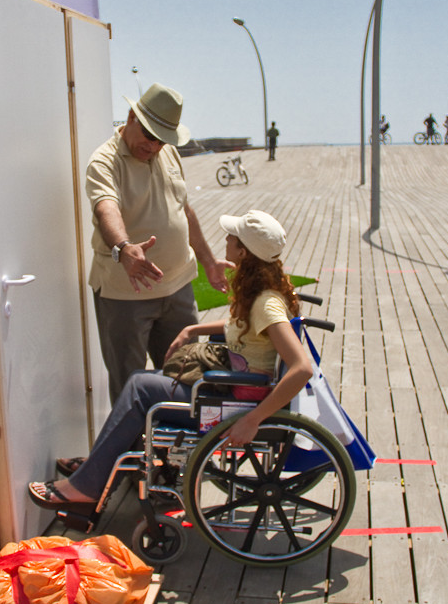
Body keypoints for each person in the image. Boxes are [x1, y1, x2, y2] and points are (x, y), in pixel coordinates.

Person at [28, 209, 314, 511]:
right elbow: (242, 327)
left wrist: (252, 420)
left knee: (139, 387)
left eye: (232, 238)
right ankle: (98, 464)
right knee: (143, 380)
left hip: (236, 403)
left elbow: (302, 368)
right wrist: (192, 328)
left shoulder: (266, 305)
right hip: (231, 388)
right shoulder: (266, 291)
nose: (226, 240)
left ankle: (86, 484)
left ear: (243, 252)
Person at [85, 82, 232, 404]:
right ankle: (135, 454)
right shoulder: (104, 161)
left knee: (188, 377)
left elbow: (184, 209)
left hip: (178, 287)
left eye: (163, 140)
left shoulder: (169, 154)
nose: (154, 147)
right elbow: (104, 206)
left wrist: (208, 261)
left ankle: (178, 452)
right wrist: (124, 248)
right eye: (150, 137)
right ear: (131, 117)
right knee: (129, 386)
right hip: (126, 295)